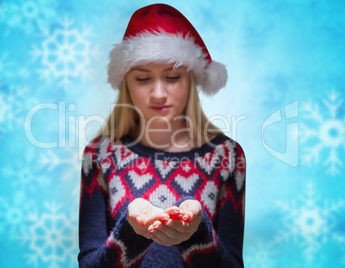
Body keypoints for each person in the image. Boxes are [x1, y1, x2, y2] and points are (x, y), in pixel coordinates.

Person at [78, 4, 246, 268]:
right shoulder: (100, 155)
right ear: (126, 84)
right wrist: (132, 232)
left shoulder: (226, 156)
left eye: (172, 77)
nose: (158, 93)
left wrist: (196, 233)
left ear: (190, 80)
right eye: (143, 79)